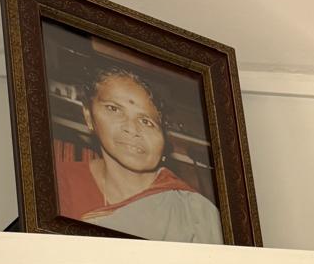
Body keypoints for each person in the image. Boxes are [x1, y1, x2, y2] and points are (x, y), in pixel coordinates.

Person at [53, 66, 223, 244]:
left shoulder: (192, 213)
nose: (132, 129)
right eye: (113, 109)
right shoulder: (59, 180)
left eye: (146, 121)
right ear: (89, 117)